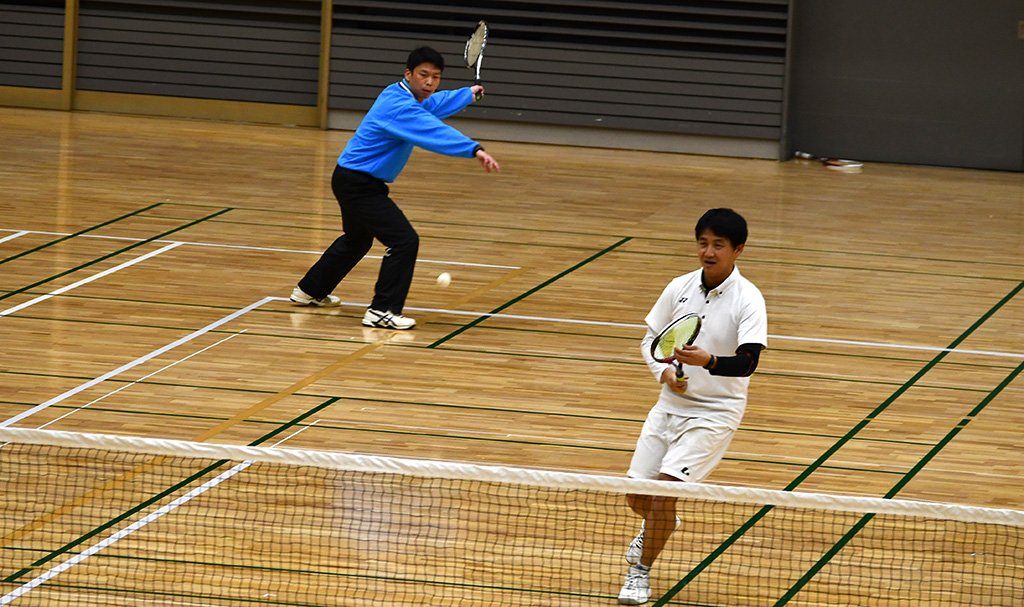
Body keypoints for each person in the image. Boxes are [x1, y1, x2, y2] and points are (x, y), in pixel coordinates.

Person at [290, 46, 500, 329]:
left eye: (435, 77)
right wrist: (473, 149)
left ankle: (310, 290)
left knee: (357, 240)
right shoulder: (399, 106)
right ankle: (382, 310)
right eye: (423, 75)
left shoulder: (404, 94)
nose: (429, 82)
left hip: (351, 177)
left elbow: (433, 105)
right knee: (404, 241)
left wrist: (466, 94)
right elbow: (431, 129)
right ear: (408, 74)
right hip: (358, 184)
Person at [618, 208, 768, 605]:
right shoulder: (679, 287)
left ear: (738, 249)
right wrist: (663, 373)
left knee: (662, 497)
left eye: (719, 245)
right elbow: (652, 341)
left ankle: (640, 573)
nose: (709, 251)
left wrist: (710, 362)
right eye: (703, 243)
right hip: (670, 404)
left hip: (715, 413)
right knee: (638, 498)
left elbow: (749, 361)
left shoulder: (749, 299)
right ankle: (661, 523)